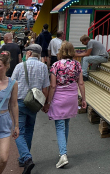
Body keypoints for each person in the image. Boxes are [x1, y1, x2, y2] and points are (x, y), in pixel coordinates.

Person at [44, 41, 86, 169]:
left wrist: (48, 102)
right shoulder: (77, 65)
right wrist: (83, 99)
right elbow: (81, 83)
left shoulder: (56, 65)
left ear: (61, 51)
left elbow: (52, 85)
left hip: (59, 98)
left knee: (60, 126)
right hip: (72, 97)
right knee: (66, 123)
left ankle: (63, 154)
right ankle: (63, 151)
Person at [10, 44, 50, 172]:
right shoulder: (43, 67)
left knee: (19, 131)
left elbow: (12, 84)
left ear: (29, 53)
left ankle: (26, 158)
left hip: (20, 101)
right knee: (29, 130)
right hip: (34, 103)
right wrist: (45, 104)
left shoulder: (19, 66)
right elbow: (45, 88)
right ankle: (23, 159)